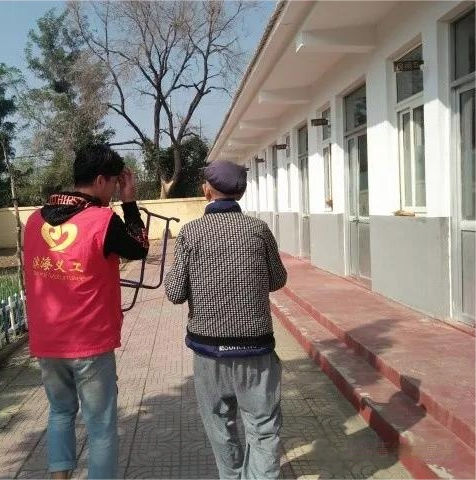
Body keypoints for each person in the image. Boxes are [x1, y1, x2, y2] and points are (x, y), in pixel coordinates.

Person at [23, 143, 149, 480]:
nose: (114, 190)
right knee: (100, 424)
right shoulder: (102, 220)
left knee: (60, 412)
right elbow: (139, 248)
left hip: (47, 341)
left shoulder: (33, 220)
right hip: (89, 342)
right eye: (114, 183)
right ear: (101, 180)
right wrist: (129, 201)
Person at [164, 160, 287, 480]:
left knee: (221, 425)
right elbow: (278, 279)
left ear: (206, 191)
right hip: (256, 350)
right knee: (263, 427)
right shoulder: (259, 230)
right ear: (241, 192)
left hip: (209, 353)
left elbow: (175, 292)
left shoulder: (190, 233)